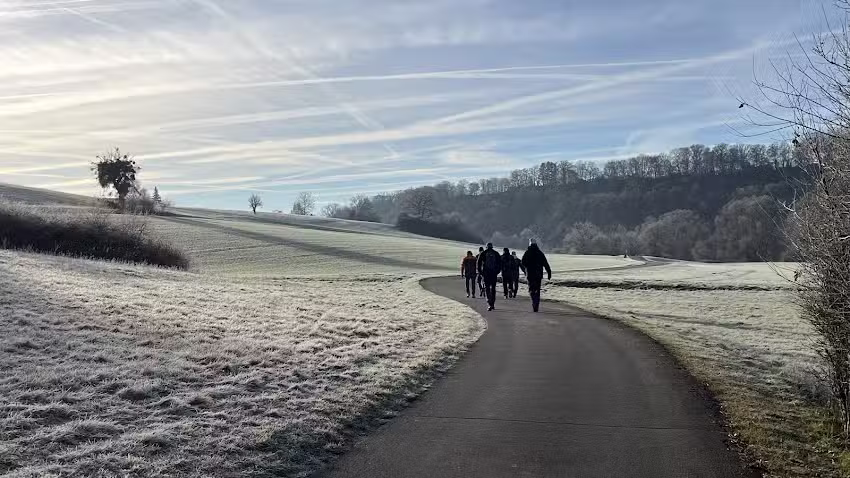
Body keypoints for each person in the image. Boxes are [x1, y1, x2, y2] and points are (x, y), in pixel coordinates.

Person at [521, 238, 552, 312]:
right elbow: (545, 263)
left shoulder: (527, 252)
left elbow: (523, 262)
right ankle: (536, 304)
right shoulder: (540, 253)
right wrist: (549, 273)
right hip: (538, 274)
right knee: (537, 290)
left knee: (531, 289)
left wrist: (527, 267)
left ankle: (533, 302)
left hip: (530, 274)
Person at [477, 242, 502, 311]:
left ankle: (489, 303)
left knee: (487, 288)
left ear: (486, 247)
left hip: (486, 273)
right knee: (493, 288)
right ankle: (493, 303)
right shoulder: (496, 253)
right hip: (493, 274)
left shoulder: (483, 253)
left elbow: (478, 263)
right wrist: (497, 271)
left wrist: (481, 272)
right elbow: (500, 263)